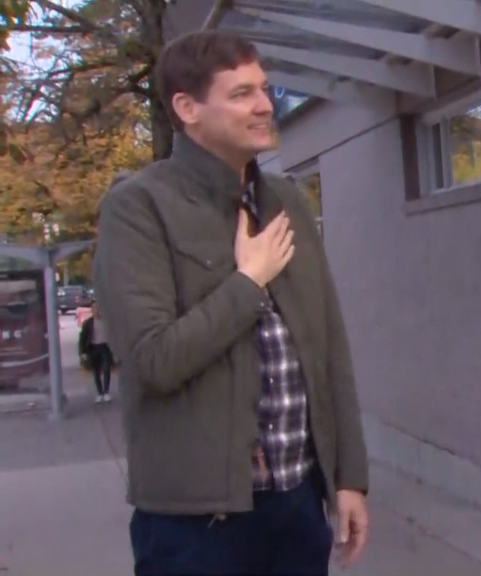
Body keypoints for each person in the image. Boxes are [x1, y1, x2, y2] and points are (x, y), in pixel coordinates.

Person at [93, 31, 369, 576]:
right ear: (187, 108)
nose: (266, 104)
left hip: (296, 506)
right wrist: (249, 282)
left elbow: (328, 348)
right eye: (242, 93)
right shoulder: (139, 207)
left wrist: (348, 478)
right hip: (198, 524)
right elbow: (153, 360)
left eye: (264, 89)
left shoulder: (284, 199)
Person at [78, 300, 113, 403]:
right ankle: (100, 393)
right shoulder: (88, 323)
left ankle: (106, 392)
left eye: (98, 307)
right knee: (96, 372)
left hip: (105, 347)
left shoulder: (106, 322)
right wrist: (83, 352)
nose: (96, 310)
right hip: (93, 348)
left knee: (106, 369)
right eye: (94, 308)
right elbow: (83, 338)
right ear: (92, 310)